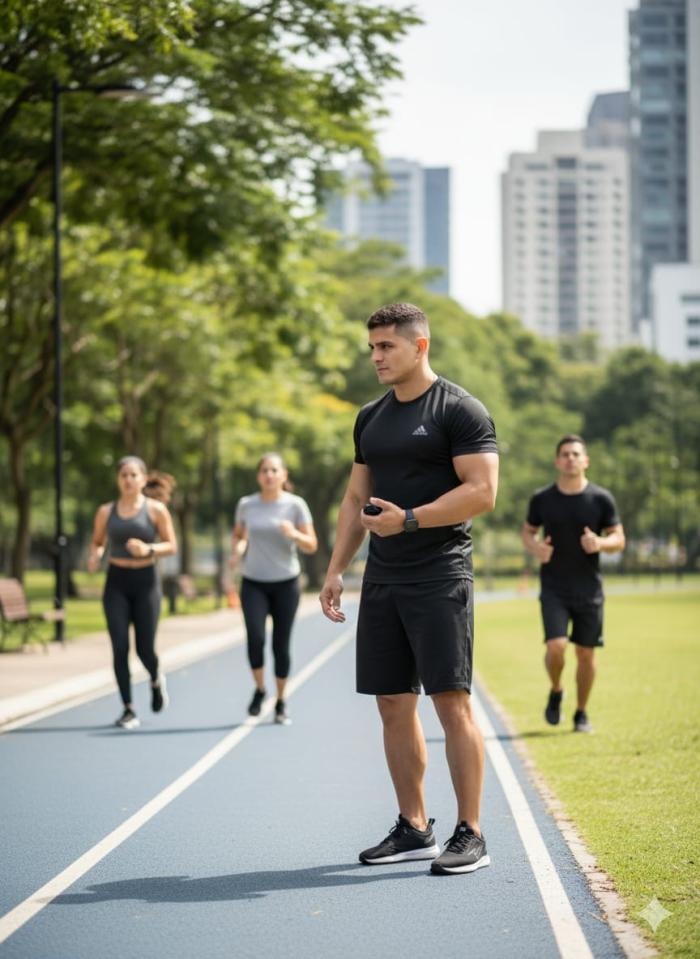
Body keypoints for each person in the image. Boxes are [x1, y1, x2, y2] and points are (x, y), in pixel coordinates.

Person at [319, 302, 498, 876]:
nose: (375, 356)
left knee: (451, 702)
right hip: (384, 577)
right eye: (372, 347)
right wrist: (335, 568)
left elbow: (482, 491)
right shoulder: (370, 417)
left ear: (419, 347)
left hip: (441, 571)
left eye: (386, 346)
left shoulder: (460, 410)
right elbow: (355, 498)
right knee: (393, 703)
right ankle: (415, 826)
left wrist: (412, 519)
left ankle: (471, 832)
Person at [522, 434, 625, 734]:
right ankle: (556, 690)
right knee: (556, 646)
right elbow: (528, 532)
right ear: (557, 461)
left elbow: (619, 539)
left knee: (585, 654)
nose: (570, 458)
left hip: (588, 589)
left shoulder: (601, 499)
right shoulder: (542, 499)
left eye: (576, 454)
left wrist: (600, 544)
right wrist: (536, 548)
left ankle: (581, 713)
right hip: (553, 587)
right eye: (565, 454)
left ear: (585, 460)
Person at [88, 456, 178, 729]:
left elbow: (171, 545)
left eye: (133, 475)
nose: (128, 480)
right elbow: (97, 542)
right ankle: (128, 708)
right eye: (123, 475)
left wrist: (148, 549)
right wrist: (96, 555)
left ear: (142, 479)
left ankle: (154, 677)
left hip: (146, 581)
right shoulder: (106, 511)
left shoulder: (156, 510)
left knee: (144, 648)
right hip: (116, 582)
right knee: (119, 646)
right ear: (118, 480)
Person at [230, 453, 318, 726]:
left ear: (283, 475)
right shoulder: (246, 505)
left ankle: (280, 701)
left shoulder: (295, 505)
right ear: (259, 476)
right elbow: (239, 536)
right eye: (264, 470)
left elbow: (311, 544)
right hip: (253, 582)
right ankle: (260, 690)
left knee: (281, 643)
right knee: (255, 638)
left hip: (286, 583)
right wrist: (238, 550)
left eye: (274, 470)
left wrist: (294, 534)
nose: (269, 475)